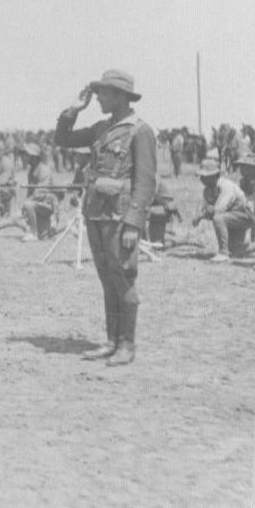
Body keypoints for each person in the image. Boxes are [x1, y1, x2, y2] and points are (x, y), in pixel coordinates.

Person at [54, 69, 157, 366]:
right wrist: (73, 110)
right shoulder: (101, 128)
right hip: (97, 214)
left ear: (122, 97)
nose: (98, 97)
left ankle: (127, 344)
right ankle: (111, 340)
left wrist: (133, 224)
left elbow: (145, 181)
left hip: (120, 218)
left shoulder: (140, 131)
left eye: (104, 93)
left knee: (123, 278)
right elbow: (63, 139)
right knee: (107, 280)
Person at [192, 158, 251, 262]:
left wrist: (201, 216)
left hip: (246, 216)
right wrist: (203, 213)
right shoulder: (207, 190)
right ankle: (252, 248)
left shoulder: (225, 186)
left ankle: (223, 253)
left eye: (205, 176)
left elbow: (218, 209)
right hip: (232, 217)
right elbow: (205, 207)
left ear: (214, 176)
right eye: (201, 176)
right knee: (236, 251)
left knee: (218, 218)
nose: (201, 179)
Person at [19, 143, 59, 241]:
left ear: (34, 157)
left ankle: (33, 234)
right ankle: (39, 230)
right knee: (45, 235)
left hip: (48, 204)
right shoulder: (32, 170)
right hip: (39, 204)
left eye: (26, 154)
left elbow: (40, 192)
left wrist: (26, 204)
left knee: (28, 205)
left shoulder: (43, 170)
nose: (23, 157)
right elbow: (31, 190)